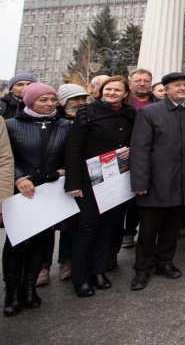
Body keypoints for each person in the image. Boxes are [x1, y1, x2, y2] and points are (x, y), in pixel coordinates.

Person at [129, 72, 185, 291]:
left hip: (183, 183)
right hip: (155, 184)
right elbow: (140, 150)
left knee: (172, 228)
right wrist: (140, 182)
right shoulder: (149, 113)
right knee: (148, 230)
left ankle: (165, 262)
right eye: (177, 85)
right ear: (166, 89)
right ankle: (142, 268)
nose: (182, 88)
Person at [64, 76, 136, 298]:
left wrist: (132, 149)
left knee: (108, 225)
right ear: (101, 90)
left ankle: (98, 271)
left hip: (116, 178)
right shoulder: (87, 112)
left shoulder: (129, 113)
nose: (112, 92)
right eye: (108, 89)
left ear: (125, 94)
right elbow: (74, 147)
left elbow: (137, 140)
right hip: (89, 179)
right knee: (87, 228)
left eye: (117, 90)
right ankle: (81, 277)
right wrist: (74, 182)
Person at [3, 83, 71, 316]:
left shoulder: (65, 125)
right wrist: (18, 178)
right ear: (30, 101)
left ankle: (29, 288)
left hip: (49, 193)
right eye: (43, 100)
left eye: (53, 99)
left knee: (40, 242)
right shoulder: (10, 126)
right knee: (15, 244)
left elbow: (72, 154)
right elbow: (4, 157)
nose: (50, 104)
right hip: (21, 192)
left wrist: (62, 171)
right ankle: (12, 293)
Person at [38, 84, 89, 283]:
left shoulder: (86, 120)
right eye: (75, 99)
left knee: (71, 224)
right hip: (48, 180)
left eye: (84, 98)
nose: (80, 103)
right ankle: (43, 266)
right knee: (45, 226)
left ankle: (66, 261)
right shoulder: (55, 122)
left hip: (73, 177)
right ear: (64, 102)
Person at [117, 69, 159, 261]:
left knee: (141, 198)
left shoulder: (159, 104)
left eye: (146, 81)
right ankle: (119, 239)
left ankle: (136, 236)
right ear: (130, 83)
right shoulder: (121, 104)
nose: (142, 84)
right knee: (118, 204)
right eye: (138, 80)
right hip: (120, 158)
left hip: (150, 157)